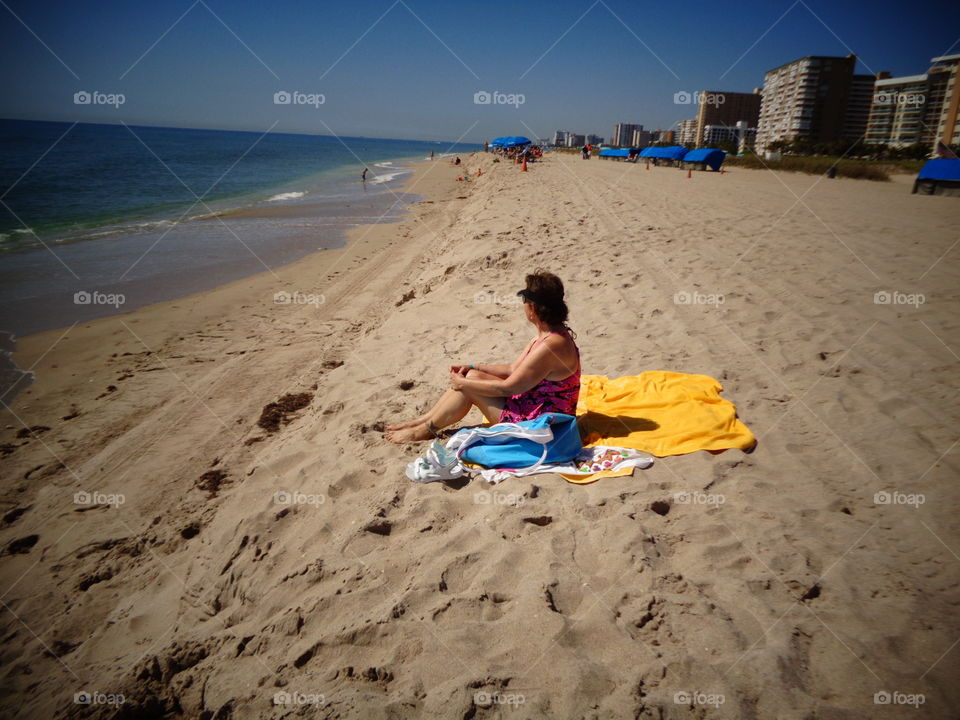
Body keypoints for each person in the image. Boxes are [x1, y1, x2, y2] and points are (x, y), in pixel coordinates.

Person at [385, 271, 580, 443]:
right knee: (471, 376)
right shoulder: (548, 336)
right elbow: (514, 370)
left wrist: (462, 383)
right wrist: (473, 367)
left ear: (533, 309)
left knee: (468, 386)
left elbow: (511, 386)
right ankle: (423, 421)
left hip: (542, 427)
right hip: (534, 407)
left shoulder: (551, 346)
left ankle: (424, 430)